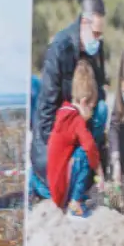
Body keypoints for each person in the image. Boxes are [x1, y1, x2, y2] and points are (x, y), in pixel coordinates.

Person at [33, 0, 107, 200]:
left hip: (81, 120)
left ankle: (86, 169)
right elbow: (47, 107)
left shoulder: (96, 49)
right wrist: (57, 153)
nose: (98, 39)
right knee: (56, 187)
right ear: (84, 22)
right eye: (95, 33)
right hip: (60, 129)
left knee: (101, 109)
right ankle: (46, 180)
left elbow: (99, 88)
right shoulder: (59, 48)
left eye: (101, 34)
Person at [46, 59, 103, 215]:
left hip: (52, 182)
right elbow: (90, 147)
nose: (91, 114)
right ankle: (74, 202)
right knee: (84, 154)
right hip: (60, 192)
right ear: (84, 102)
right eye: (91, 108)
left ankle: (71, 195)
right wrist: (100, 172)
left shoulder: (63, 110)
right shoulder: (76, 121)